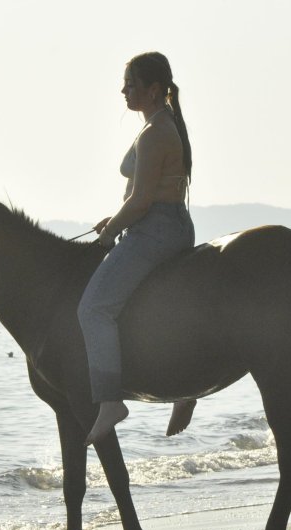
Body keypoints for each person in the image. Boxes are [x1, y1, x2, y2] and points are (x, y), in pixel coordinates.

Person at [78, 52, 197, 446]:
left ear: (154, 89)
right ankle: (183, 388)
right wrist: (114, 219)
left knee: (93, 309)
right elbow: (143, 196)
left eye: (131, 84)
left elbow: (143, 200)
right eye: (125, 83)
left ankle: (110, 401)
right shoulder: (161, 125)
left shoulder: (155, 132)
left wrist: (109, 233)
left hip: (154, 230)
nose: (123, 91)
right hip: (164, 224)